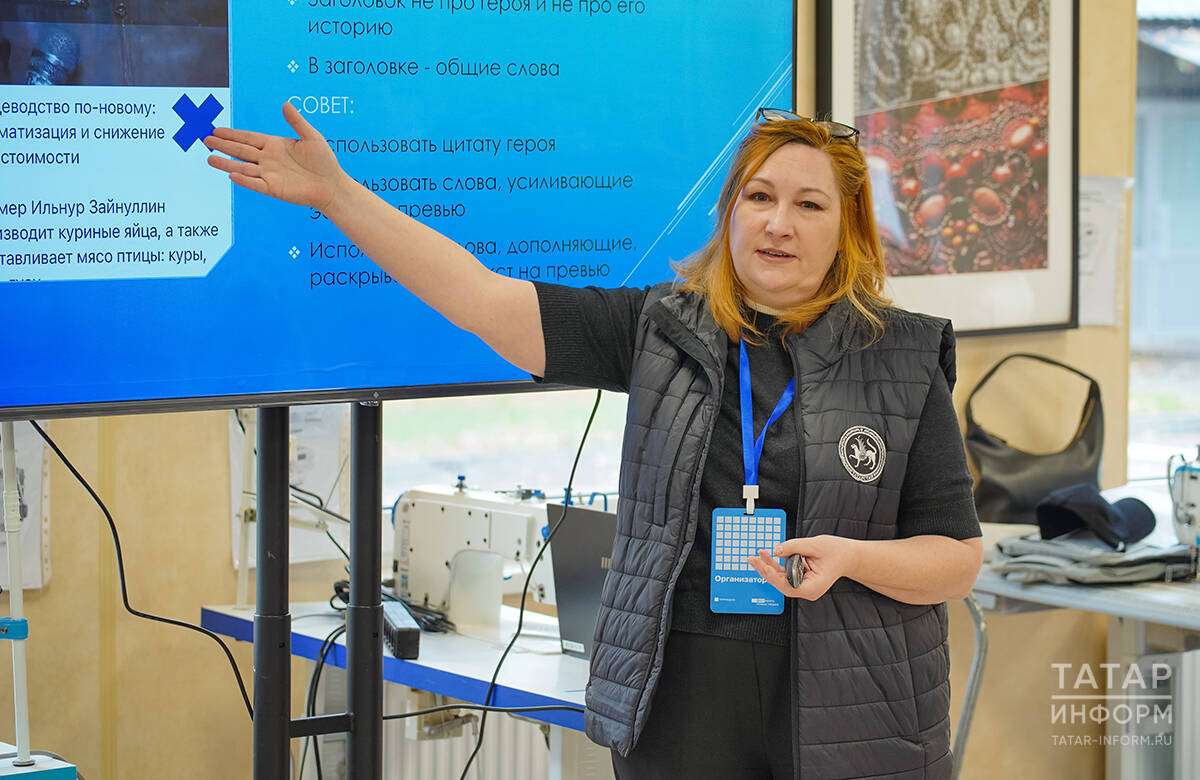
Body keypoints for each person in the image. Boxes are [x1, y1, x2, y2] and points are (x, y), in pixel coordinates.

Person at [206, 105, 983, 780]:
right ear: (730, 213)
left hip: (854, 712)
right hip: (681, 705)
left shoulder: (902, 358)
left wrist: (853, 558)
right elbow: (481, 299)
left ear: (847, 229)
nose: (778, 223)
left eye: (809, 205)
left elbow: (956, 559)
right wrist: (337, 196)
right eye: (760, 196)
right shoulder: (659, 328)